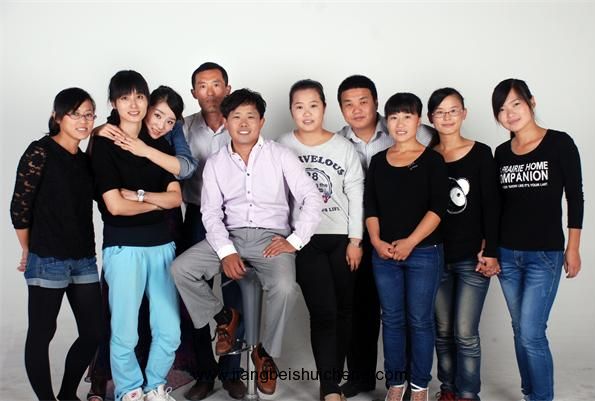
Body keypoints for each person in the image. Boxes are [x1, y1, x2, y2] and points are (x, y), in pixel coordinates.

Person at [171, 88, 323, 397]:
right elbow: (210, 213)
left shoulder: (281, 155)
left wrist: (294, 241)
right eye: (236, 116)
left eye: (250, 117)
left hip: (271, 238)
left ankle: (264, 352)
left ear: (261, 121)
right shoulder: (215, 163)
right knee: (181, 269)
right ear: (226, 121)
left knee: (285, 287)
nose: (243, 123)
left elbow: (312, 197)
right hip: (231, 235)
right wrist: (226, 251)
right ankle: (225, 317)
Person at [86, 85, 196, 401]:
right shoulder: (106, 142)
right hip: (123, 248)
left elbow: (175, 199)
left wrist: (138, 196)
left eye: (169, 121)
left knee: (169, 330)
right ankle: (129, 391)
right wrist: (156, 203)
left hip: (162, 248)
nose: (161, 124)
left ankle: (154, 386)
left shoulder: (160, 150)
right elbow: (115, 207)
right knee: (125, 330)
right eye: (158, 115)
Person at [336, 75, 434, 398]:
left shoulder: (416, 135)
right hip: (359, 232)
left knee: (413, 314)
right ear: (341, 109)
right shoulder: (337, 142)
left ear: (376, 103)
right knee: (362, 307)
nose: (357, 109)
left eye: (363, 101)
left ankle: (415, 381)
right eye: (348, 104)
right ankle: (365, 378)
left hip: (410, 237)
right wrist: (365, 240)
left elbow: (436, 191)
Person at [492, 78, 583, 401]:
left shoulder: (559, 143)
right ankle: (530, 392)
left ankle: (541, 397)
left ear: (531, 102)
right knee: (520, 329)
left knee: (531, 332)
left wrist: (573, 248)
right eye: (502, 109)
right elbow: (496, 206)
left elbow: (575, 197)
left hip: (544, 255)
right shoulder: (502, 153)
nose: (510, 113)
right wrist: (491, 249)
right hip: (507, 254)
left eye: (516, 104)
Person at [10, 87, 102, 401]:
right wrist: (28, 249)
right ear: (57, 117)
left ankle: (67, 395)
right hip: (47, 257)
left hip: (83, 259)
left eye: (89, 115)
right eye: (75, 114)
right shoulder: (40, 151)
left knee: (94, 332)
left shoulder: (85, 160)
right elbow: (19, 207)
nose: (83, 121)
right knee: (42, 333)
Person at [278, 79, 364, 401]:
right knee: (324, 312)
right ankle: (329, 388)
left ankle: (334, 379)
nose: (307, 113)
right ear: (291, 111)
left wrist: (355, 240)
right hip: (304, 239)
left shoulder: (343, 147)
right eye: (299, 107)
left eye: (313, 105)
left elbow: (355, 194)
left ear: (324, 108)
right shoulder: (281, 145)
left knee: (344, 311)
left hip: (342, 238)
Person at [365, 93, 446, 401]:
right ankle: (396, 382)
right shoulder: (378, 161)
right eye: (394, 117)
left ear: (418, 120)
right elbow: (371, 206)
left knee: (420, 321)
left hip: (424, 253)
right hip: (384, 254)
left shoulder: (432, 160)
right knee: (392, 319)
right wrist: (376, 241)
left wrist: (411, 242)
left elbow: (437, 209)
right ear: (387, 122)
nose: (400, 123)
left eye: (407, 117)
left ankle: (419, 385)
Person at [427, 88, 500, 401]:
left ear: (464, 113)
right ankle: (448, 389)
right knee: (442, 331)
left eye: (453, 110)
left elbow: (493, 206)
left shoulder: (481, 153)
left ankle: (468, 394)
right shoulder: (426, 156)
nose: (447, 117)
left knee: (465, 332)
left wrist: (492, 249)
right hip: (435, 257)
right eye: (440, 112)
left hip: (473, 258)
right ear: (430, 118)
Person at [179, 62, 246, 401]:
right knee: (195, 295)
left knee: (237, 293)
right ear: (194, 93)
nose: (210, 92)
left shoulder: (241, 122)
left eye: (216, 84)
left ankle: (231, 372)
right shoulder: (182, 127)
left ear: (227, 88)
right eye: (202, 86)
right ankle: (204, 373)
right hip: (196, 216)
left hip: (237, 217)